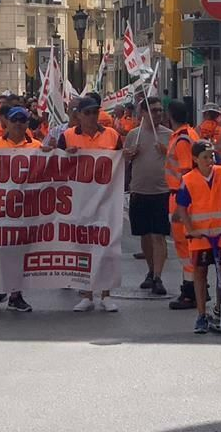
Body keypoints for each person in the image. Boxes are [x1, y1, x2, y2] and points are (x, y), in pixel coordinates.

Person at [60, 95, 122, 312]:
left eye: (95, 112)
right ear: (78, 115)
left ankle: (106, 294)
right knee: (82, 247)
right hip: (79, 200)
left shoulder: (113, 135)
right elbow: (55, 164)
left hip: (106, 199)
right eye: (88, 112)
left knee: (107, 246)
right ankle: (86, 294)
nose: (93, 116)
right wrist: (64, 155)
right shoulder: (67, 136)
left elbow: (120, 162)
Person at [175, 139, 221, 334]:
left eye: (212, 156)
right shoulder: (189, 180)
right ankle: (201, 315)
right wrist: (190, 229)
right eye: (205, 157)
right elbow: (182, 207)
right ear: (195, 159)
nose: (210, 160)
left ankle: (220, 307)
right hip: (200, 235)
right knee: (200, 272)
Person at [0, 107, 38, 313]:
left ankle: (16, 295)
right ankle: (0, 290)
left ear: (27, 124)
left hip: (26, 211)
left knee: (19, 254)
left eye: (22, 120)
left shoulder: (36, 146)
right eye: (15, 120)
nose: (18, 124)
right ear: (7, 122)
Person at [124, 97, 172, 297]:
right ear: (143, 113)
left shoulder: (169, 136)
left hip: (161, 191)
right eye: (153, 110)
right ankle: (151, 271)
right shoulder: (133, 135)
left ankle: (159, 277)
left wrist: (167, 152)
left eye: (160, 110)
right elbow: (124, 162)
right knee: (144, 235)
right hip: (139, 191)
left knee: (158, 235)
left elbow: (182, 161)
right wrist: (128, 155)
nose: (158, 114)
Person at [163, 99, 200, 310]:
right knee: (188, 246)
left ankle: (190, 291)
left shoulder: (182, 139)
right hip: (184, 196)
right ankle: (195, 287)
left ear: (170, 115)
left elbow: (186, 173)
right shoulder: (189, 134)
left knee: (184, 247)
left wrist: (180, 206)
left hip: (180, 196)